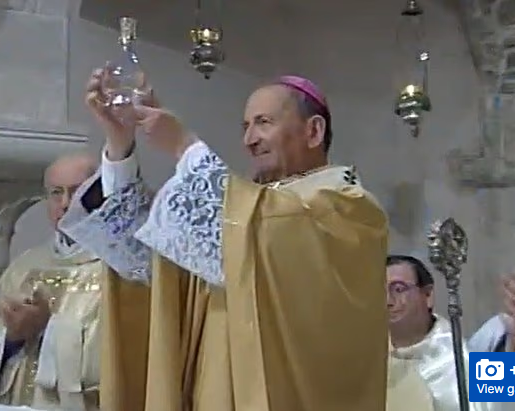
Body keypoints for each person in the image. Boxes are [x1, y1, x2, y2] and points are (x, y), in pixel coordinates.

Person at [59, 70, 389, 411]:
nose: (249, 139)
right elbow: (146, 258)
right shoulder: (241, 214)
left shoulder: (348, 207)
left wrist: (183, 145)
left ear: (314, 131)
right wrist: (121, 146)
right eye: (245, 126)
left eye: (263, 122)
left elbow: (274, 234)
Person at [0, 152, 150, 411]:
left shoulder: (125, 268)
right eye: (56, 193)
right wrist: (10, 337)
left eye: (77, 191)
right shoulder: (25, 266)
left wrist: (47, 328)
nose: (66, 203)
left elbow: (127, 350)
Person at [385, 255, 491, 411]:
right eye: (379, 291)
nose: (387, 300)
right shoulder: (364, 359)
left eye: (398, 289)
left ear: (428, 295)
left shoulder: (465, 362)